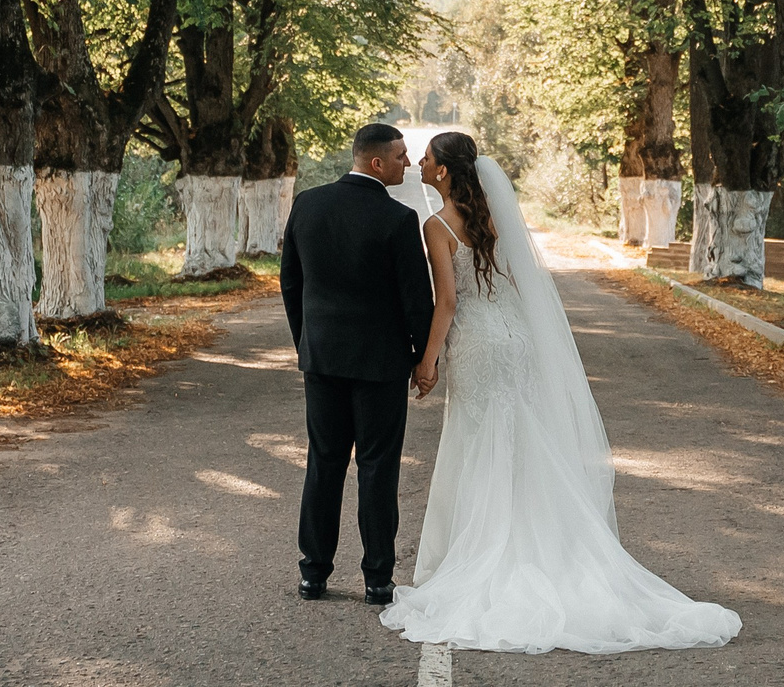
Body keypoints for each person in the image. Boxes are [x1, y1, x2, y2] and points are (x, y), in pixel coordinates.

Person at [381, 130, 742, 655]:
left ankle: (488, 556)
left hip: (479, 345)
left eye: (428, 156)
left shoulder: (437, 226)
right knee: (524, 441)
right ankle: (554, 548)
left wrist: (428, 360)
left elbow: (449, 304)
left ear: (442, 172)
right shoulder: (497, 218)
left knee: (479, 443)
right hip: (518, 341)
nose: (419, 160)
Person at [279, 121, 436, 605]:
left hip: (321, 357)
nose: (407, 164)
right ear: (376, 163)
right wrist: (420, 358)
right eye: (400, 156)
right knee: (377, 467)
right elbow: (416, 300)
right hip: (380, 364)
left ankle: (313, 574)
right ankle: (377, 579)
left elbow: (291, 283)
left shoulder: (307, 203)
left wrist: (307, 342)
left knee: (323, 463)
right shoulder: (397, 219)